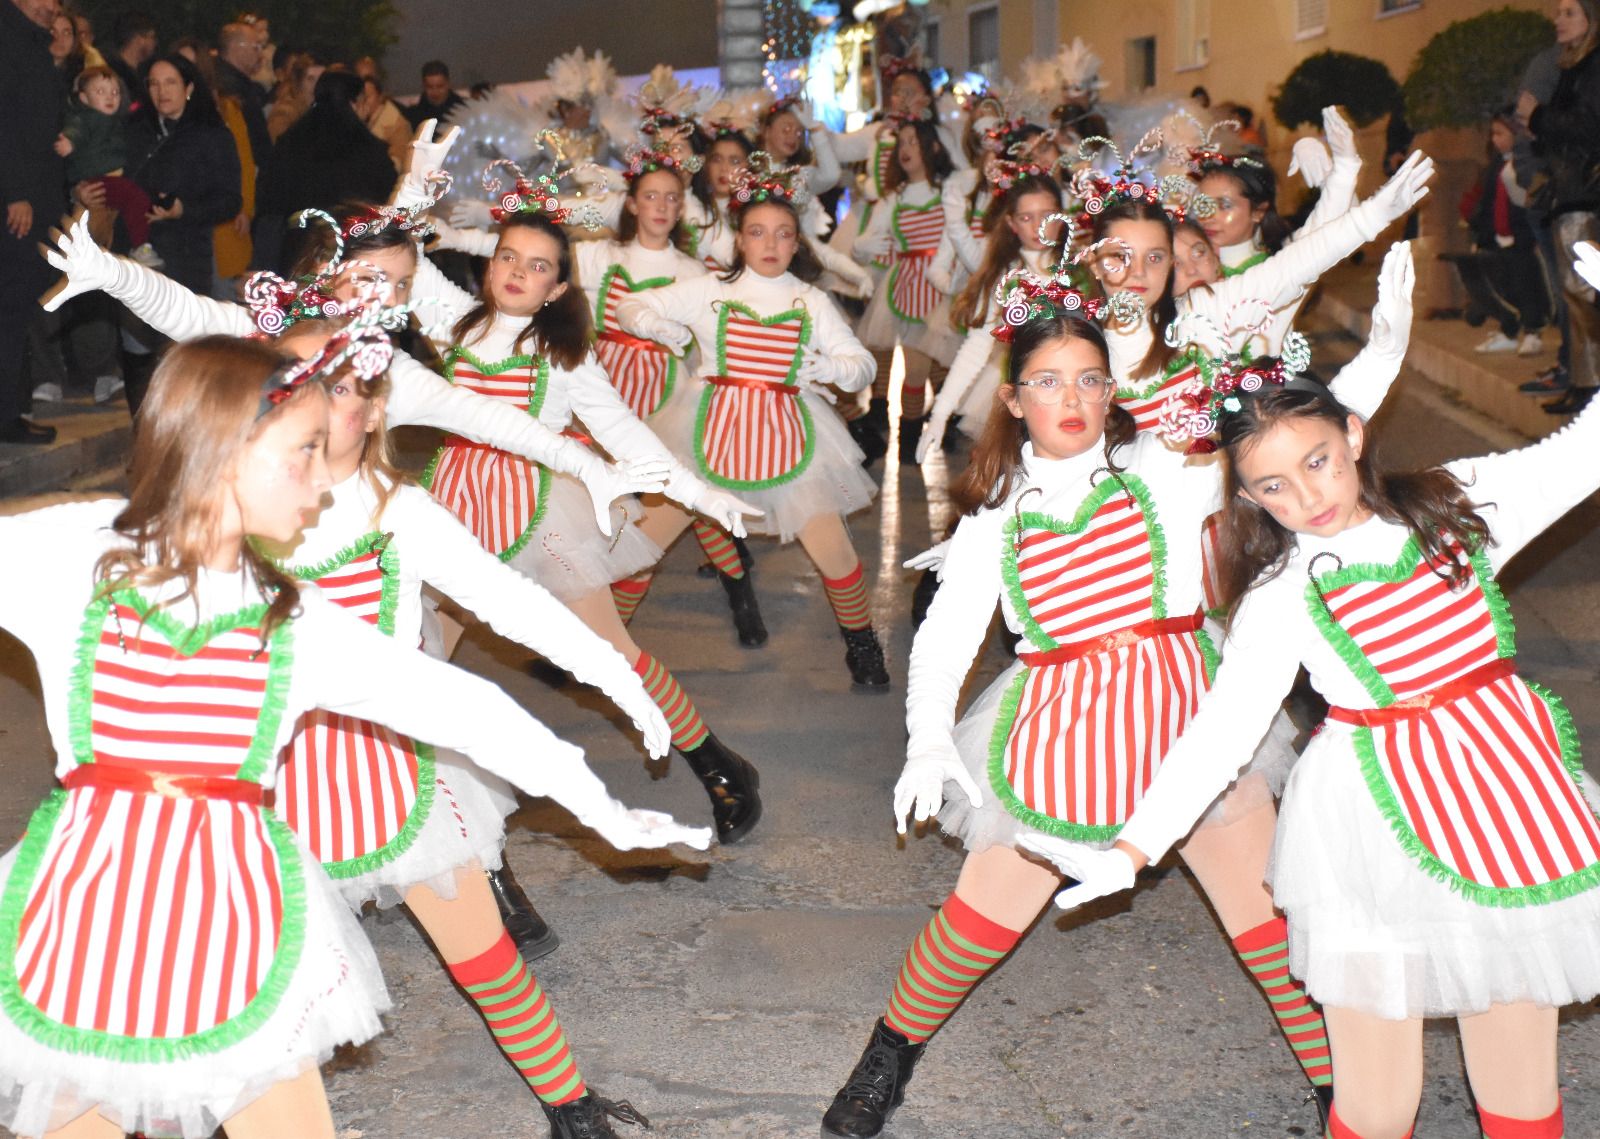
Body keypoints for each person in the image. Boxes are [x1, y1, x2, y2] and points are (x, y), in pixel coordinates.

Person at [0, 329, 708, 1139]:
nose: (318, 477)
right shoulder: (73, 558)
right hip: (89, 912)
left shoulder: (295, 621)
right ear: (228, 448)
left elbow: (458, 703)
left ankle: (569, 1103)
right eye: (301, 450)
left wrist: (601, 800)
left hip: (235, 915)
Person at [1020, 246, 1600, 1136]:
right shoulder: (1281, 594)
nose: (1308, 495)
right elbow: (1220, 734)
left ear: (1354, 436)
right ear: (1251, 497)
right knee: (1376, 1098)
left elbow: (1582, 454)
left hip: (1507, 794)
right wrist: (1132, 850)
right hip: (1371, 830)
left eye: (1320, 461)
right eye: (1274, 486)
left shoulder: (1458, 506)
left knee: (1521, 1086)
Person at [818, 272, 1410, 1137]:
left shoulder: (1169, 465)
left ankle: (1339, 1090)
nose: (1072, 399)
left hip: (1189, 712)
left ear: (1111, 390)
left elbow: (1291, 439)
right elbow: (945, 636)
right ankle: (889, 1052)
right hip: (1062, 731)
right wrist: (927, 739)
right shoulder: (996, 514)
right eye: (1049, 381)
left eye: (1089, 379)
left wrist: (1381, 357)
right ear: (1013, 398)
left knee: (1266, 926)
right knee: (978, 918)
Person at [619, 164, 891, 690]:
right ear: (740, 240)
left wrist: (834, 368)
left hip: (789, 436)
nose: (771, 244)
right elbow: (633, 304)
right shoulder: (707, 289)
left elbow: (861, 363)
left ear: (796, 243)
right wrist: (651, 322)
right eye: (758, 232)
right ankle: (599, 646)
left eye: (783, 234)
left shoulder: (811, 300)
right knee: (645, 544)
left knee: (833, 549)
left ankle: (863, 646)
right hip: (705, 434)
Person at [1522, 0, 1600, 415]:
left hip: (1585, 194)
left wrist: (1537, 116)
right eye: (1558, 12)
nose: (1559, 20)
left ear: (1592, 19)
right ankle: (1585, 383)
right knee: (1577, 293)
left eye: (1570, 12)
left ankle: (1590, 388)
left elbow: (1588, 127)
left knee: (1584, 291)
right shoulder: (1575, 66)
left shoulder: (1593, 67)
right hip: (1571, 191)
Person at [117, 53, 242, 301]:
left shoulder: (212, 135)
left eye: (170, 82)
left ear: (189, 88)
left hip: (184, 260)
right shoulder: (134, 129)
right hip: (129, 257)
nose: (161, 91)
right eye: (154, 83)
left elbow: (230, 201)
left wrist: (184, 209)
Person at [0, 0, 66, 446]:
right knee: (10, 307)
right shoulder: (9, 40)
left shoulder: (29, 42)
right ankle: (7, 414)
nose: (51, 7)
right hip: (16, 202)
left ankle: (11, 408)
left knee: (16, 308)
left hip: (30, 195)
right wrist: (16, 191)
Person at [255, 70, 396, 273]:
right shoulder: (367, 149)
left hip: (298, 251)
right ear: (355, 102)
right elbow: (386, 196)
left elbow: (269, 197)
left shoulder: (291, 141)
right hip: (353, 250)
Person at [1456, 109, 1550, 357]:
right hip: (1499, 237)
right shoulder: (1496, 165)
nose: (1495, 139)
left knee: (1527, 286)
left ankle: (1533, 331)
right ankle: (1509, 331)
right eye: (1493, 134)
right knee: (1504, 288)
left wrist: (1524, 235)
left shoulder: (1523, 163)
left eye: (1500, 133)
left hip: (1520, 237)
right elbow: (1488, 202)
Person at [55, 66, 159, 266]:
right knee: (134, 198)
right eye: (100, 91)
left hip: (107, 178)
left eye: (115, 92)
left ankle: (77, 255)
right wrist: (69, 141)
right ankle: (141, 247)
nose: (110, 97)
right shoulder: (88, 117)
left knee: (99, 225)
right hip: (98, 177)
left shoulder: (116, 121)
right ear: (84, 98)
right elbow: (76, 128)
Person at [358, 71, 412, 172]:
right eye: (360, 98)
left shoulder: (396, 125)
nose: (363, 102)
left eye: (367, 97)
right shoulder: (362, 121)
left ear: (380, 96)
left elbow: (399, 163)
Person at [104, 8, 155, 111]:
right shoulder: (115, 74)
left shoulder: (144, 72)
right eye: (151, 37)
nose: (154, 43)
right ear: (139, 39)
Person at [403, 59, 466, 129]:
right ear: (424, 86)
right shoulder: (413, 115)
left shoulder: (464, 110)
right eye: (430, 87)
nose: (435, 92)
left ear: (448, 84)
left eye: (440, 86)